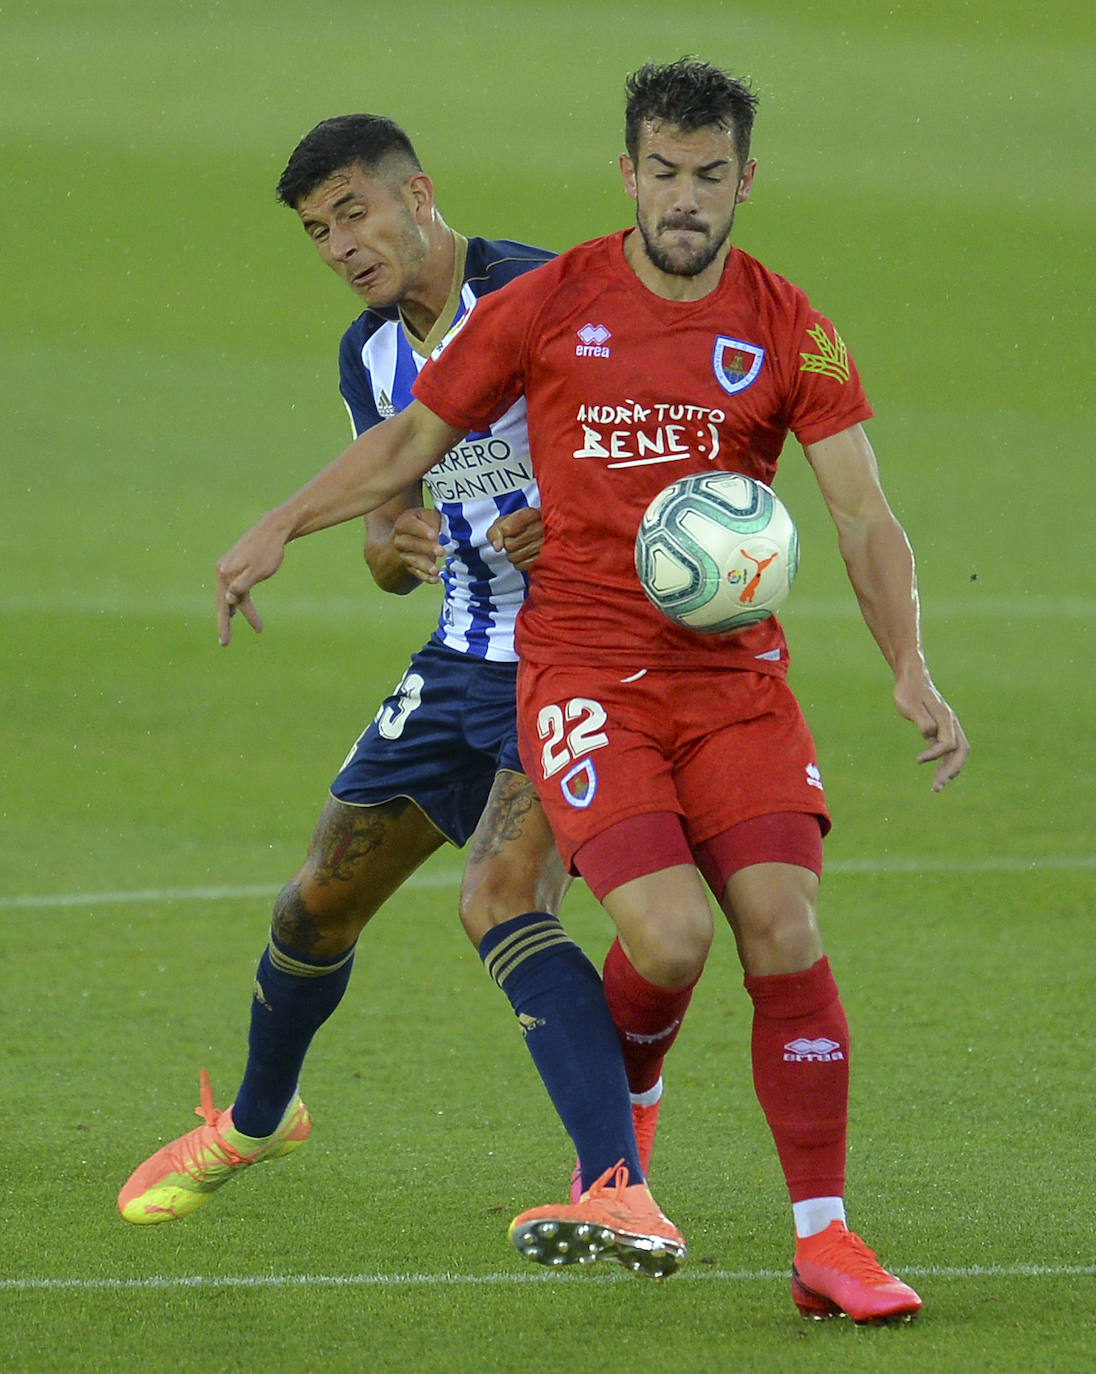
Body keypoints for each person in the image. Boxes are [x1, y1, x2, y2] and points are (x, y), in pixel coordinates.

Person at [211, 61, 970, 1320]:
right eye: (662, 173)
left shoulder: (791, 325)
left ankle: (826, 1242)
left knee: (782, 926)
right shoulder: (552, 299)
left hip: (733, 679)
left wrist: (910, 668)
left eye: (708, 175)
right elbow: (411, 441)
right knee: (666, 940)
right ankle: (620, 1156)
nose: (685, 198)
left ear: (742, 181)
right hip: (588, 674)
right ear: (629, 175)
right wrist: (278, 527)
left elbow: (862, 513)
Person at [118, 114, 661, 1234]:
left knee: (501, 896)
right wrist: (386, 550)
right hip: (460, 657)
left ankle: (616, 1189)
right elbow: (397, 511)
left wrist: (572, 517)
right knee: (316, 903)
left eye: (353, 214)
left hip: (575, 659)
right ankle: (260, 1122)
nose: (340, 246)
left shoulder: (545, 296)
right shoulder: (368, 350)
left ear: (418, 194)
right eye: (319, 231)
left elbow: (658, 453)